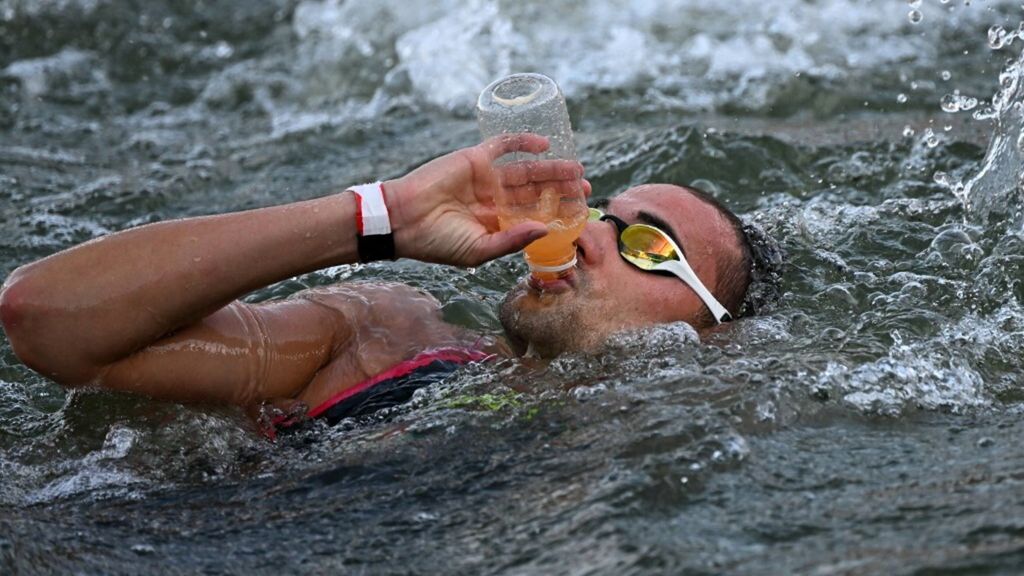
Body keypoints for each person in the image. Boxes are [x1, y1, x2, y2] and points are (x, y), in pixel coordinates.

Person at [0, 134, 781, 431]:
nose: (582, 232)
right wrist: (382, 217)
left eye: (648, 244)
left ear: (714, 335)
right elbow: (45, 319)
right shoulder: (383, 336)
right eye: (601, 213)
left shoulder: (667, 446)